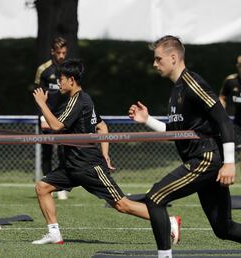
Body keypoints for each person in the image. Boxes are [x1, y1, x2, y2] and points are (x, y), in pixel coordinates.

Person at [32, 59, 180, 245]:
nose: (58, 83)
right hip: (72, 167)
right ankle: (54, 234)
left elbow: (55, 125)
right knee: (42, 187)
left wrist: (41, 103)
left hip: (88, 166)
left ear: (71, 80)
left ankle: (169, 221)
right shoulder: (81, 100)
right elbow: (101, 126)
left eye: (61, 79)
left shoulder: (78, 99)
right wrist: (106, 153)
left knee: (121, 204)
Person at [129, 35, 241, 258]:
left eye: (158, 59)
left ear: (173, 57)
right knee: (223, 228)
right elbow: (175, 132)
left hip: (206, 159)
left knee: (155, 198)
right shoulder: (177, 90)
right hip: (201, 160)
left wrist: (229, 163)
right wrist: (147, 120)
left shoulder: (192, 84)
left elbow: (223, 120)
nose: (154, 64)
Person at [34, 37, 69, 200]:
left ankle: (62, 186)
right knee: (47, 152)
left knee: (64, 152)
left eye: (64, 52)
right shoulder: (44, 69)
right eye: (59, 52)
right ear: (52, 52)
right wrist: (42, 115)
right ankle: (48, 184)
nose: (61, 56)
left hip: (64, 116)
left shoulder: (69, 69)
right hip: (47, 116)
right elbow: (37, 93)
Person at [219, 55, 241, 150]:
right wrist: (222, 112)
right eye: (240, 65)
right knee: (235, 149)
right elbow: (222, 97)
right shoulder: (230, 80)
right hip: (233, 121)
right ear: (237, 66)